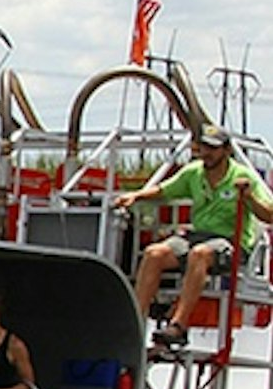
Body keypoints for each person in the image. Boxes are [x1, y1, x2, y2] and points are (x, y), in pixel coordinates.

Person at [115, 123, 273, 347]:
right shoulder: (194, 172)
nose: (207, 154)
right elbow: (164, 190)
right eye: (204, 147)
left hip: (230, 243)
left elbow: (269, 215)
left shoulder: (243, 176)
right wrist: (136, 195)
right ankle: (136, 323)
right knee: (154, 253)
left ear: (226, 150)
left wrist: (249, 197)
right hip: (197, 236)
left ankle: (178, 324)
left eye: (213, 148)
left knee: (199, 254)